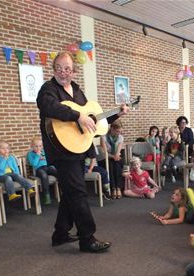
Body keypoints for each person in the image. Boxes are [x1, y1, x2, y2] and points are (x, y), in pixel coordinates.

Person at [37, 51, 129, 252]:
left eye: (67, 68)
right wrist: (77, 115)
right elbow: (50, 107)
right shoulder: (48, 89)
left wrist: (115, 115)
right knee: (78, 192)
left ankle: (60, 234)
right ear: (53, 70)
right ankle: (87, 239)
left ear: (74, 71)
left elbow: (93, 120)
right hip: (61, 151)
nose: (63, 72)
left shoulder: (78, 92)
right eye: (59, 68)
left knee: (71, 192)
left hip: (78, 148)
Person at [27, 136, 58, 205]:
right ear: (32, 146)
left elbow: (49, 161)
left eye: (40, 146)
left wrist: (52, 166)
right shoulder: (30, 154)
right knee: (44, 176)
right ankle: (46, 195)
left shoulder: (44, 152)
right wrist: (37, 156)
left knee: (58, 172)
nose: (38, 148)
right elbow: (34, 164)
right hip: (39, 169)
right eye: (36, 146)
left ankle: (65, 189)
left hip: (48, 167)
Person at [101, 119, 124, 199]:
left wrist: (116, 155)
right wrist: (113, 156)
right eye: (117, 131)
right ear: (112, 129)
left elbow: (118, 152)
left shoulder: (120, 137)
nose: (119, 133)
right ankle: (113, 188)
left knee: (117, 164)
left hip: (116, 157)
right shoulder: (103, 137)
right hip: (107, 157)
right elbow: (105, 152)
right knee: (110, 165)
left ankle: (118, 188)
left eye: (120, 131)